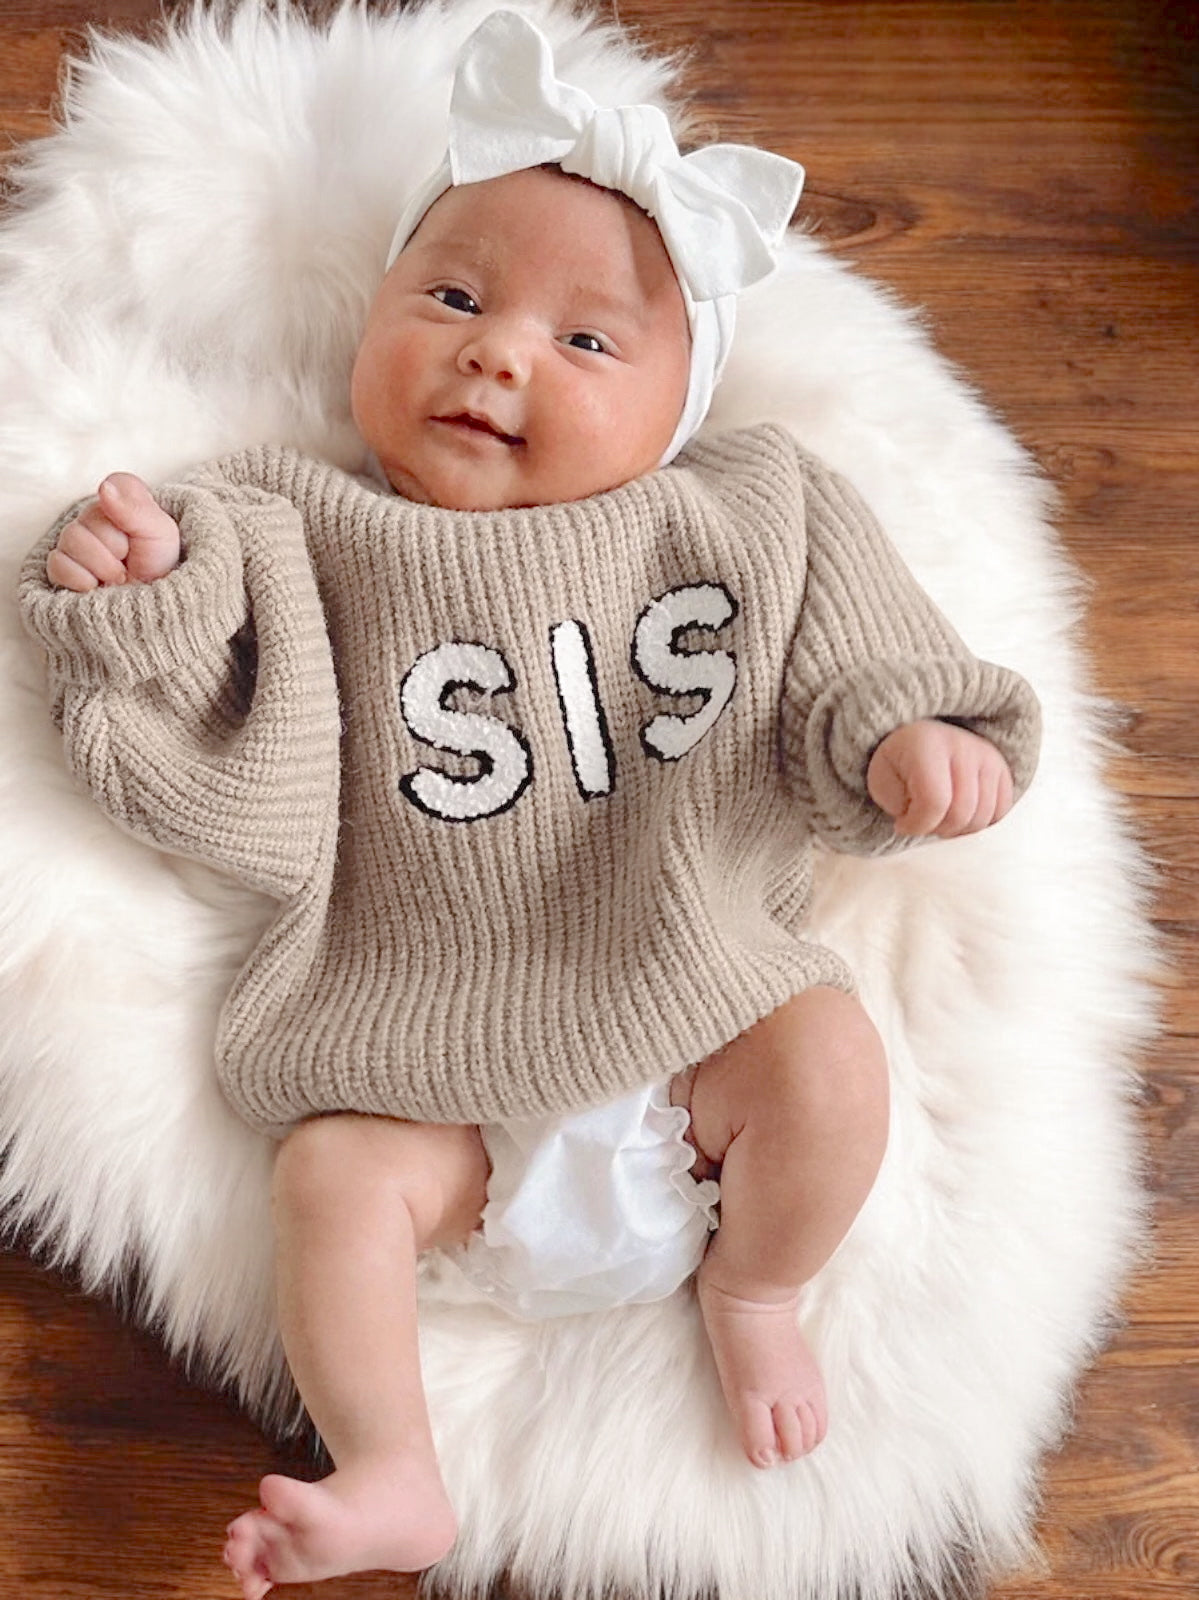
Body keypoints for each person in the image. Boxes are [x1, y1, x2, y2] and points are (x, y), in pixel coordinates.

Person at [19, 12, 1040, 1597]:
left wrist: (906, 736)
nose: (497, 351)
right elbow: (205, 748)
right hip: (422, 1052)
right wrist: (138, 593)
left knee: (832, 1060)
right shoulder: (300, 524)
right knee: (327, 1185)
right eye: (453, 297)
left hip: (693, 1019)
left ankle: (758, 1292)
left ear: (679, 407)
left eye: (587, 342)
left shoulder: (741, 512)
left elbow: (858, 642)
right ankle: (395, 1467)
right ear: (370, 325)